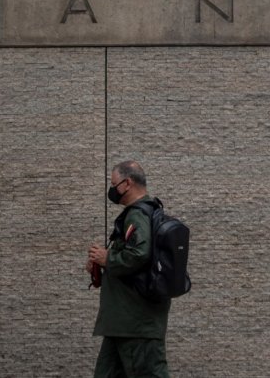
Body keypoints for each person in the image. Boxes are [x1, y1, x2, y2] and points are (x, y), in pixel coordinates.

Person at [87, 160, 172, 378]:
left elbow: (139, 254)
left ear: (127, 183)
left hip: (136, 323)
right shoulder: (146, 212)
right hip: (123, 323)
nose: (111, 189)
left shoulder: (137, 214)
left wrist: (108, 258)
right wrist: (102, 263)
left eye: (113, 184)